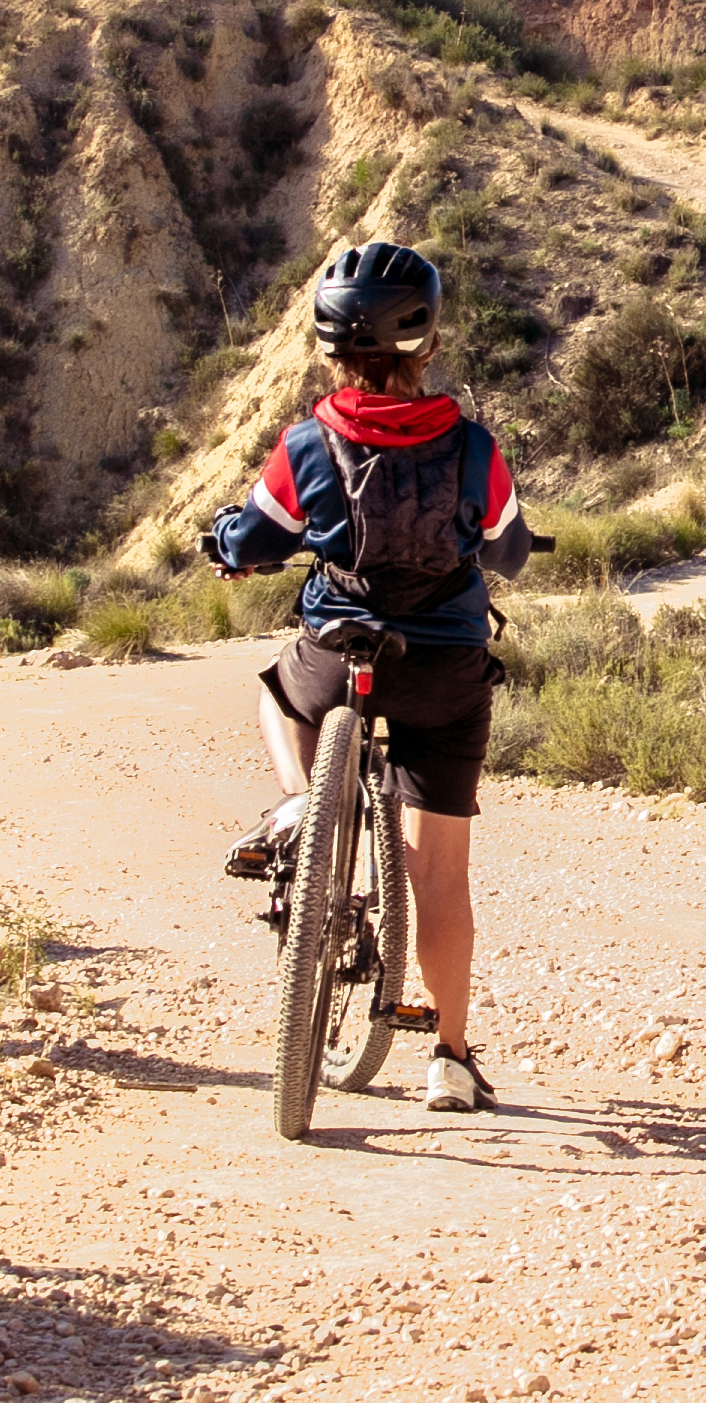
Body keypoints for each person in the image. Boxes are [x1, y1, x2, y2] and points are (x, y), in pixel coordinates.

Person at [199, 241, 538, 1113]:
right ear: (424, 344)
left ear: (329, 347)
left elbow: (256, 539)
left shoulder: (309, 444)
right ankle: (452, 1059)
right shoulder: (473, 448)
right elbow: (507, 547)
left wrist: (226, 547)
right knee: (443, 877)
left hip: (341, 653)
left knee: (278, 686)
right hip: (444, 671)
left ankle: (301, 801)